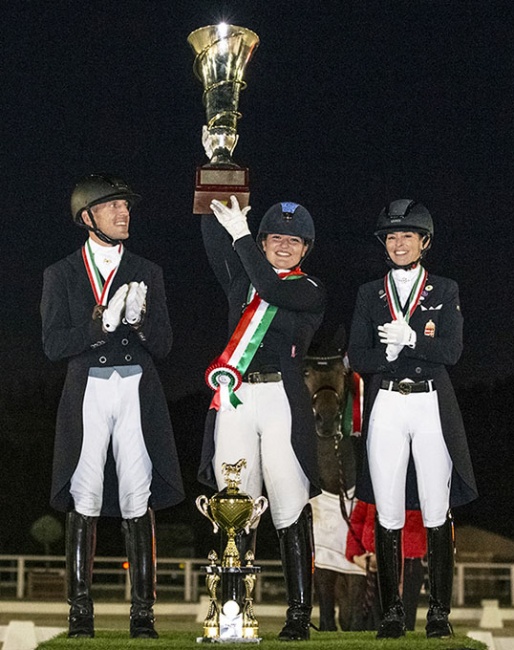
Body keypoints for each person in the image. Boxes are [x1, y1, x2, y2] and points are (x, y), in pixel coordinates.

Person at [40, 173, 184, 639]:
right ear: (88, 218)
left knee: (136, 494)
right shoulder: (60, 273)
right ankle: (80, 614)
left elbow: (163, 344)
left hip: (136, 385)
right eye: (113, 207)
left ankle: (143, 615)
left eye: (126, 207)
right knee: (84, 492)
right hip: (88, 388)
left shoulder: (149, 270)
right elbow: (52, 344)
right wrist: (97, 326)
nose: (124, 214)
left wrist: (140, 326)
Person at [198, 193, 326, 641]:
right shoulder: (242, 282)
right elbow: (215, 240)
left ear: (305, 248)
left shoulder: (308, 289)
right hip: (235, 397)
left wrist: (243, 237)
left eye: (295, 240)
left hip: (280, 401)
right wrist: (218, 172)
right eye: (276, 238)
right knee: (236, 508)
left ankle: (297, 614)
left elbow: (270, 289)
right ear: (265, 240)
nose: (285, 246)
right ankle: (232, 613)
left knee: (289, 503)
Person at [347, 199, 477, 639]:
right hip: (386, 400)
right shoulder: (370, 292)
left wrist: (413, 341)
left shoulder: (444, 289)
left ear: (424, 242)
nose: (399, 243)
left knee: (436, 508)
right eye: (392, 236)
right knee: (388, 509)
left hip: (429, 403)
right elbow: (358, 354)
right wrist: (384, 356)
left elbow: (452, 352)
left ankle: (439, 612)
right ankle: (392, 613)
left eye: (407, 235)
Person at [345, 500, 426, 631]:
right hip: (374, 562)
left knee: (402, 622)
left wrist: (385, 554)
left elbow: (413, 524)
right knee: (375, 622)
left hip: (406, 563)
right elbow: (357, 520)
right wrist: (356, 556)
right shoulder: (371, 488)